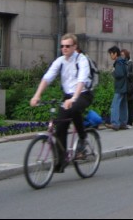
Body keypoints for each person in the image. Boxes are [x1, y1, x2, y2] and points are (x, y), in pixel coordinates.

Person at [30, 33, 92, 171]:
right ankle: (61, 159)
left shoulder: (81, 60)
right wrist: (37, 95)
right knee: (59, 127)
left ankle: (82, 137)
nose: (64, 49)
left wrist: (74, 98)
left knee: (74, 108)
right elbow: (47, 78)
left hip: (83, 94)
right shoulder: (60, 61)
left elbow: (82, 80)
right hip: (68, 95)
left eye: (68, 46)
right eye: (62, 46)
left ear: (75, 47)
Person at [108, 45, 128, 130]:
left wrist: (113, 72)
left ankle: (115, 123)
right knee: (123, 105)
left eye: (111, 54)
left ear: (115, 53)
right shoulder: (123, 61)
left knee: (114, 105)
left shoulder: (118, 62)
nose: (110, 56)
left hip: (119, 87)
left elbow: (119, 74)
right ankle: (123, 123)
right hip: (124, 86)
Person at [121, 48, 133, 127]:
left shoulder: (131, 63)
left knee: (130, 105)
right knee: (123, 105)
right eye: (121, 55)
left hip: (129, 87)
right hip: (122, 86)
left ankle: (130, 122)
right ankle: (123, 121)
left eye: (123, 55)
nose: (122, 56)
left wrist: (127, 73)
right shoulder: (121, 63)